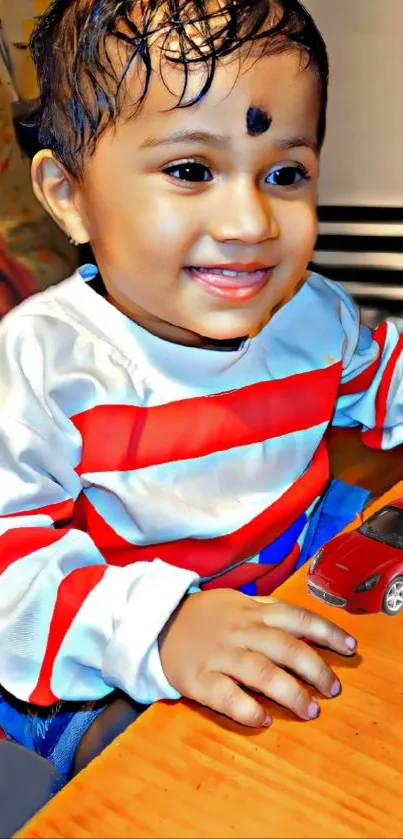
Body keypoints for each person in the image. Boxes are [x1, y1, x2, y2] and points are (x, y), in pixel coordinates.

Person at [0, 0, 398, 784]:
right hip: (107, 614)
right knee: (157, 766)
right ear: (69, 195)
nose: (250, 221)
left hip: (284, 554)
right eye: (190, 171)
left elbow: (383, 378)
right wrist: (162, 627)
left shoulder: (309, 314)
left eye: (285, 174)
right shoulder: (41, 366)